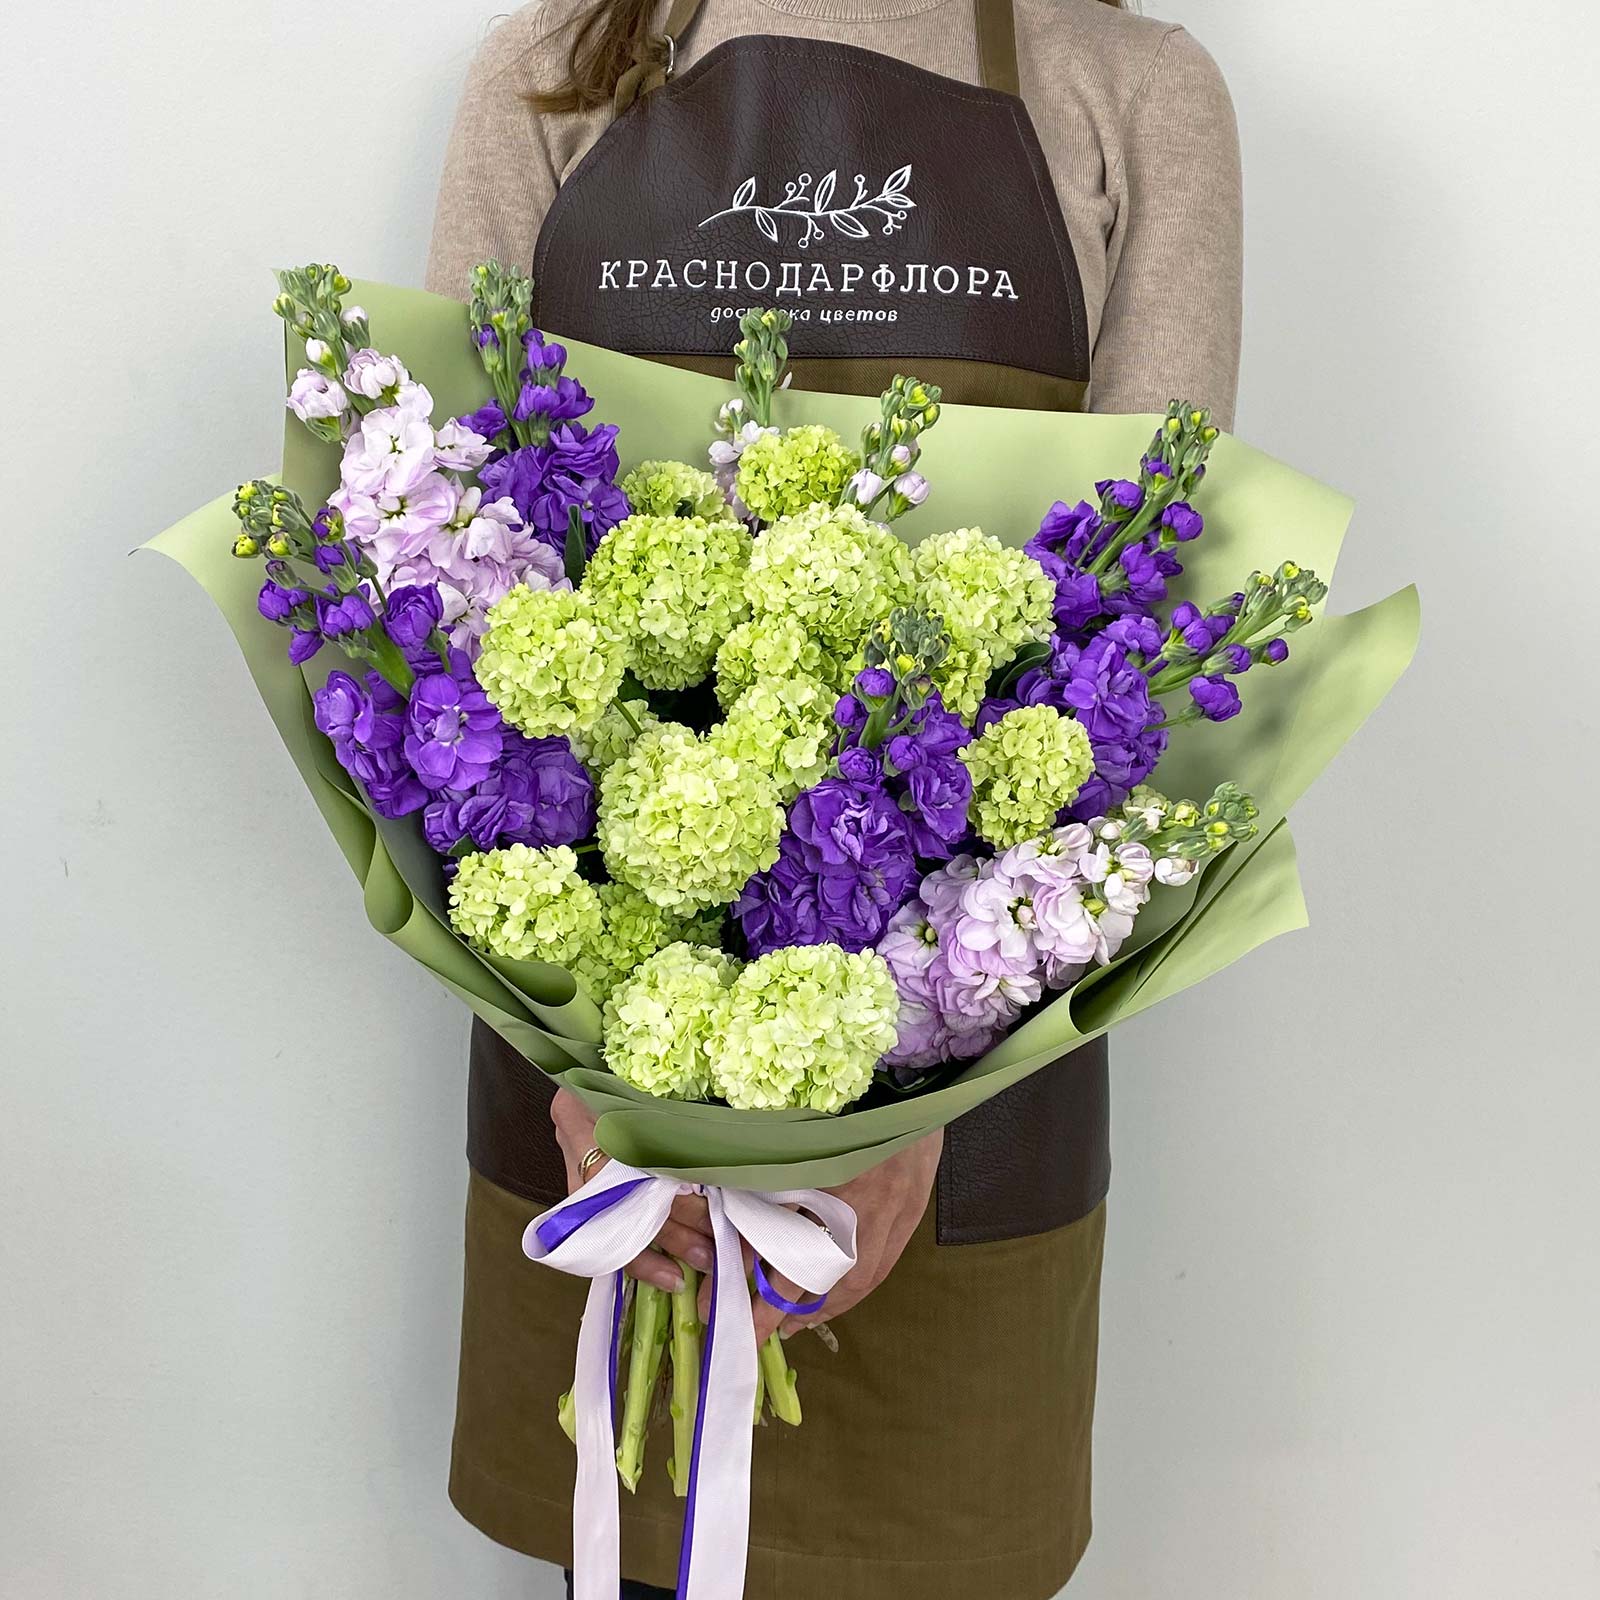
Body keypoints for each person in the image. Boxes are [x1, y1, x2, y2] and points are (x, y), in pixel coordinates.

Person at [426, 0, 1240, 1592]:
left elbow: (1141, 633)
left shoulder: (1132, 91)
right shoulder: (549, 74)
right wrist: (617, 1097)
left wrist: (906, 1123)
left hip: (970, 1102)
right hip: (606, 1104)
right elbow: (467, 608)